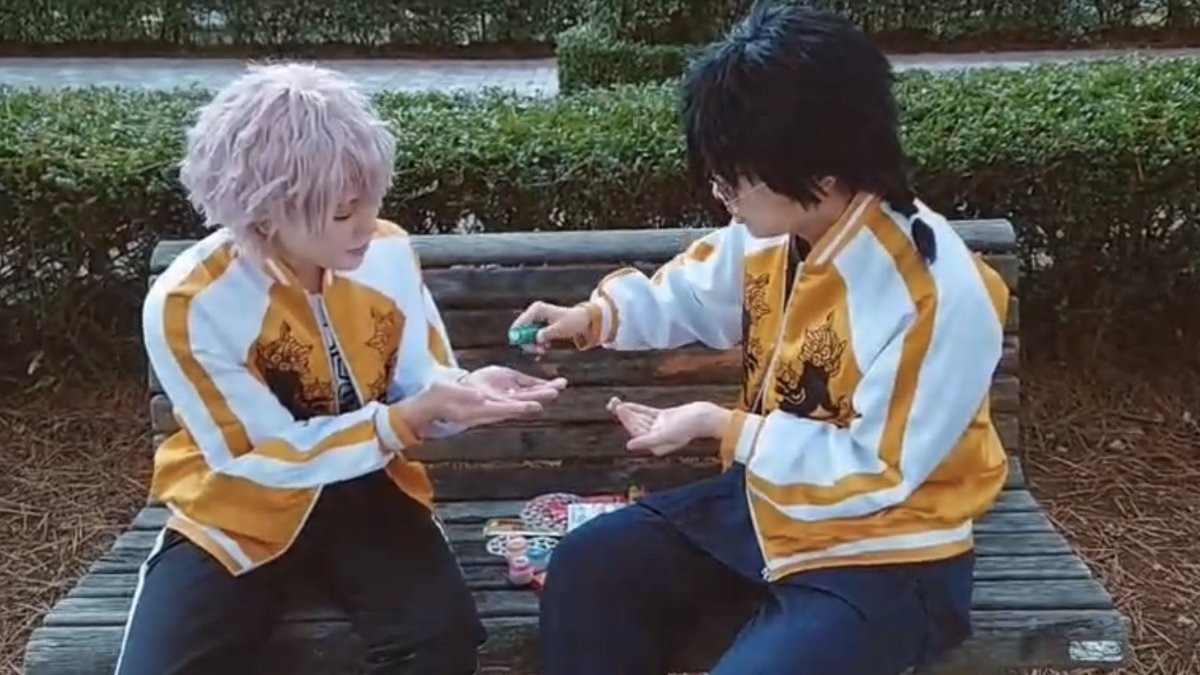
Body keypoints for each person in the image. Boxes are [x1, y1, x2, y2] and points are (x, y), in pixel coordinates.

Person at [512, 4, 1011, 674]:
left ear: (823, 173)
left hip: (889, 551)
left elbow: (879, 471)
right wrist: (594, 317)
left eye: (734, 177)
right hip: (764, 507)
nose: (722, 194)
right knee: (591, 565)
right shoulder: (775, 235)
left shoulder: (936, 293)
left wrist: (722, 425)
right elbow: (691, 293)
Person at [118, 62, 567, 675]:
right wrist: (401, 421)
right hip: (236, 504)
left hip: (369, 489)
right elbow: (255, 454)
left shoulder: (387, 251)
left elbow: (421, 382)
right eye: (341, 213)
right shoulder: (190, 301)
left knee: (440, 642)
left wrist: (464, 392)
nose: (368, 224)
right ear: (265, 212)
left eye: (372, 198)